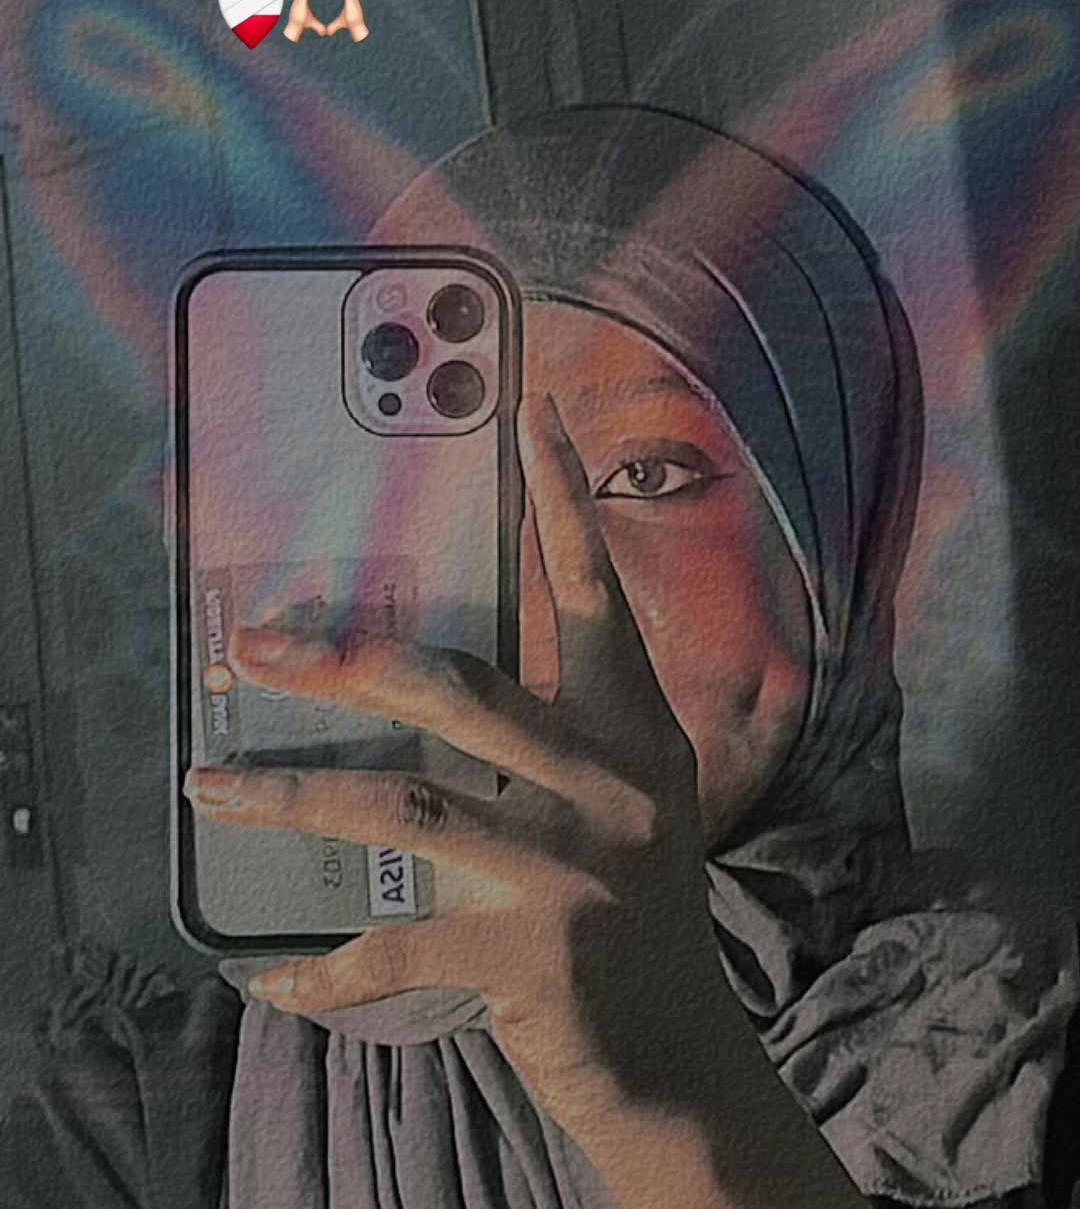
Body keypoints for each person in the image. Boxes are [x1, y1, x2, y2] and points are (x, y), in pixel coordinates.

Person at [3, 105, 1079, 1208]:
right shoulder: (148, 1119)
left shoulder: (1014, 1083)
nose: (536, 600)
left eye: (646, 476)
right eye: (455, 494)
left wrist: (670, 1102)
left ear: (844, 543)